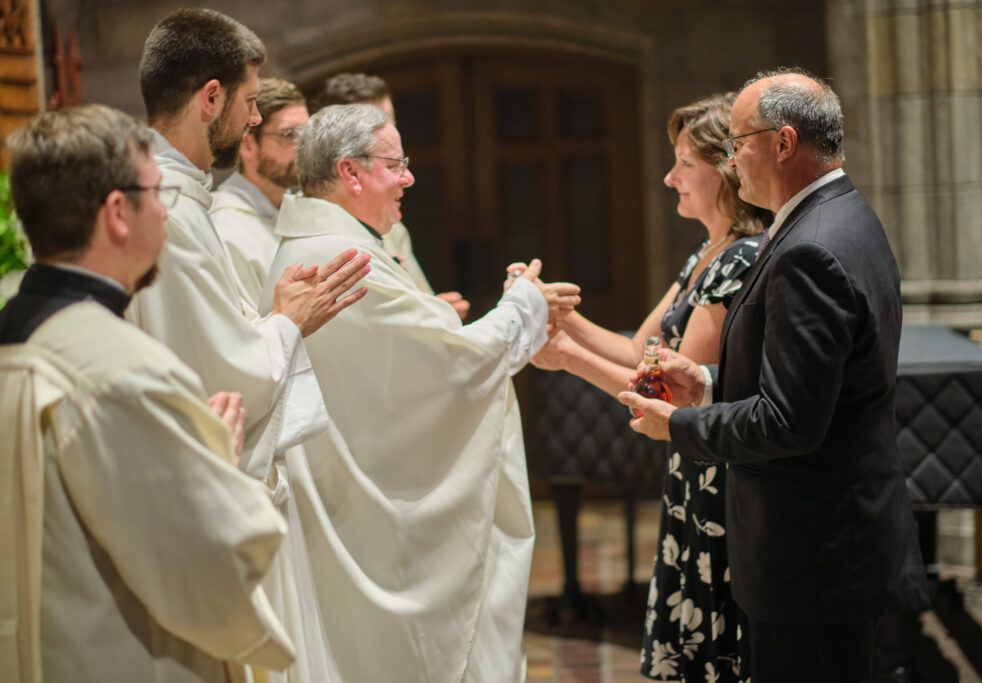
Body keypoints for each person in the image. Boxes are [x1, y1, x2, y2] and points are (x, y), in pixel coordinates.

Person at [619, 68, 930, 682]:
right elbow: (806, 385)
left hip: (811, 556)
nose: (733, 162)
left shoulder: (810, 247)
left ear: (784, 143)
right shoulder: (844, 214)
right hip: (829, 547)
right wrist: (706, 383)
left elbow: (790, 422)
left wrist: (682, 424)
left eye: (739, 143)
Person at [260, 103, 580, 682]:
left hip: (344, 497)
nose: (408, 177)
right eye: (395, 163)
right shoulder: (340, 257)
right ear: (351, 173)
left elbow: (412, 352)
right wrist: (524, 303)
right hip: (359, 512)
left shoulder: (321, 242)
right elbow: (449, 365)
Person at [0, 104, 295, 683]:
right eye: (157, 194)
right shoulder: (123, 371)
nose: (165, 213)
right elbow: (207, 567)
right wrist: (220, 468)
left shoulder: (17, 336)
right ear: (118, 214)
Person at [129, 9, 370, 682]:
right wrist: (289, 320)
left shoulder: (179, 197)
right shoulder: (168, 210)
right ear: (210, 98)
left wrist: (271, 315)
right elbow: (222, 378)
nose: (255, 120)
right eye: (247, 101)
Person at [530, 93, 766, 682]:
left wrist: (566, 359)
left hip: (716, 472)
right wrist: (555, 309)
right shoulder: (705, 254)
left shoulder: (739, 258)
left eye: (685, 163)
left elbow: (669, 390)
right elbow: (640, 351)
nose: (670, 177)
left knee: (714, 640)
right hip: (691, 471)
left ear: (724, 168)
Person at [318, 71, 470, 318]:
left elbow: (418, 307)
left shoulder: (394, 228)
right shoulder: (318, 228)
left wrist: (436, 310)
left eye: (391, 124)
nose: (408, 179)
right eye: (377, 128)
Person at [210, 78, 308, 308]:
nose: (303, 148)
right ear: (247, 145)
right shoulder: (226, 228)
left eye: (306, 134)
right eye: (289, 135)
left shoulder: (301, 210)